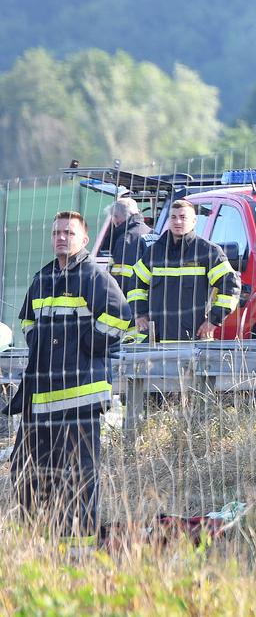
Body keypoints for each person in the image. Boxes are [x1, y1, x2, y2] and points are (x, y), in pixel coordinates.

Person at [11, 211, 133, 553]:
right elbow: (26, 321)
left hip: (80, 399)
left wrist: (86, 345)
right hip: (42, 400)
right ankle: (36, 544)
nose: (62, 237)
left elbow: (120, 318)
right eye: (57, 232)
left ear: (83, 239)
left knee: (77, 478)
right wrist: (41, 346)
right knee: (27, 474)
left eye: (69, 232)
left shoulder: (94, 276)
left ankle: (77, 549)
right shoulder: (42, 278)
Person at [129, 197, 239, 342]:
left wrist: (213, 321)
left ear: (194, 221)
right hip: (157, 340)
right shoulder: (155, 252)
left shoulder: (208, 252)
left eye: (183, 217)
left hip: (194, 340)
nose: (177, 221)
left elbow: (231, 286)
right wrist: (140, 313)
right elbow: (135, 284)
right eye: (173, 217)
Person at [104, 197, 150, 298]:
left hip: (132, 300)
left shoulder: (126, 239)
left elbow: (121, 279)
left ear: (116, 217)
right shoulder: (151, 232)